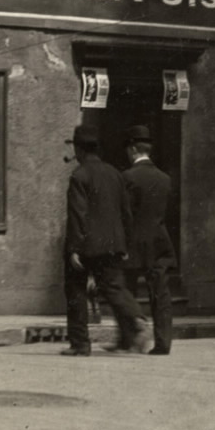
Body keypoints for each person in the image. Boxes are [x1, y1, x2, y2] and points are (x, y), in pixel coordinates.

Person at [61, 123, 148, 357]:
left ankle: (80, 344)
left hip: (88, 244)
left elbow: (77, 215)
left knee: (76, 290)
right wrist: (126, 244)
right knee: (113, 287)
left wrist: (74, 248)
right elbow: (126, 212)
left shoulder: (79, 175)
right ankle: (136, 321)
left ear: (79, 149)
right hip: (113, 243)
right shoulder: (114, 173)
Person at [121, 125, 177, 356]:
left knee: (127, 292)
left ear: (133, 149)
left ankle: (132, 339)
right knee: (160, 295)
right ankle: (163, 343)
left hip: (133, 243)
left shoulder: (127, 178)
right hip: (159, 243)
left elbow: (125, 214)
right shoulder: (165, 179)